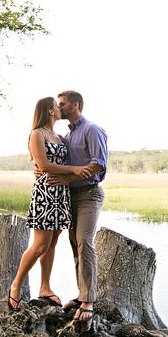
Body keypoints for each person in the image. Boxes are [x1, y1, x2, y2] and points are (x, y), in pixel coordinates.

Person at [8, 97, 92, 312]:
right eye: (56, 105)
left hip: (61, 194)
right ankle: (16, 285)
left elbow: (58, 162)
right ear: (49, 110)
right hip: (46, 193)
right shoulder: (37, 134)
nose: (59, 108)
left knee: (52, 243)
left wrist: (71, 171)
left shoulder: (60, 137)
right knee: (40, 245)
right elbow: (44, 165)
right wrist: (73, 170)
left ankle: (45, 287)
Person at [45, 90, 108, 322]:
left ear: (76, 105)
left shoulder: (91, 129)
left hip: (88, 195)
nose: (58, 109)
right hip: (69, 196)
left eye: (62, 104)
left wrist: (68, 179)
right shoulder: (68, 135)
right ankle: (82, 295)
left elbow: (98, 164)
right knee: (75, 245)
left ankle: (89, 301)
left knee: (84, 242)